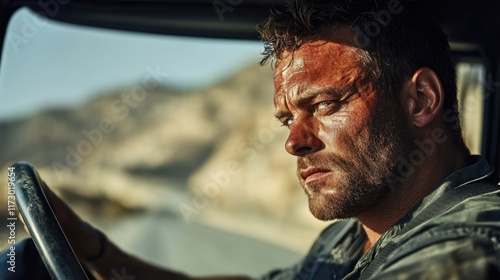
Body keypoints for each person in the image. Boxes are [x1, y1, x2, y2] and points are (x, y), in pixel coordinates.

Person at [6, 0, 500, 279]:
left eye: (324, 105)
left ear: (421, 101)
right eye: (287, 119)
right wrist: (95, 251)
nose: (295, 143)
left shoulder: (464, 250)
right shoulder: (359, 233)